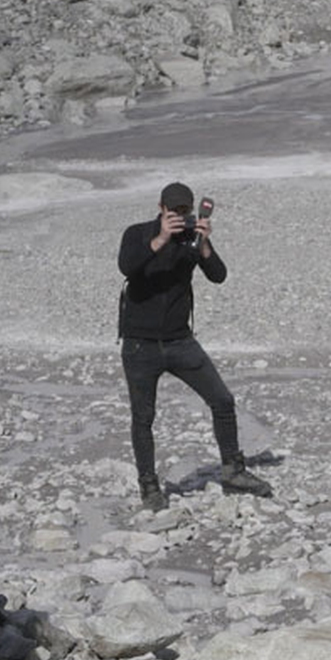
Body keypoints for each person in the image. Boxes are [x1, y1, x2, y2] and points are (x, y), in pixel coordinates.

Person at [118, 182, 274, 510]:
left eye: (184, 211)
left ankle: (233, 471)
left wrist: (204, 245)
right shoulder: (137, 233)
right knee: (143, 417)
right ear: (160, 207)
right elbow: (127, 267)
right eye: (172, 211)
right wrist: (159, 239)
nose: (178, 216)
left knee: (222, 400)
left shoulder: (191, 238)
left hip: (180, 341)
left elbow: (218, 275)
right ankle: (149, 486)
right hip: (139, 345)